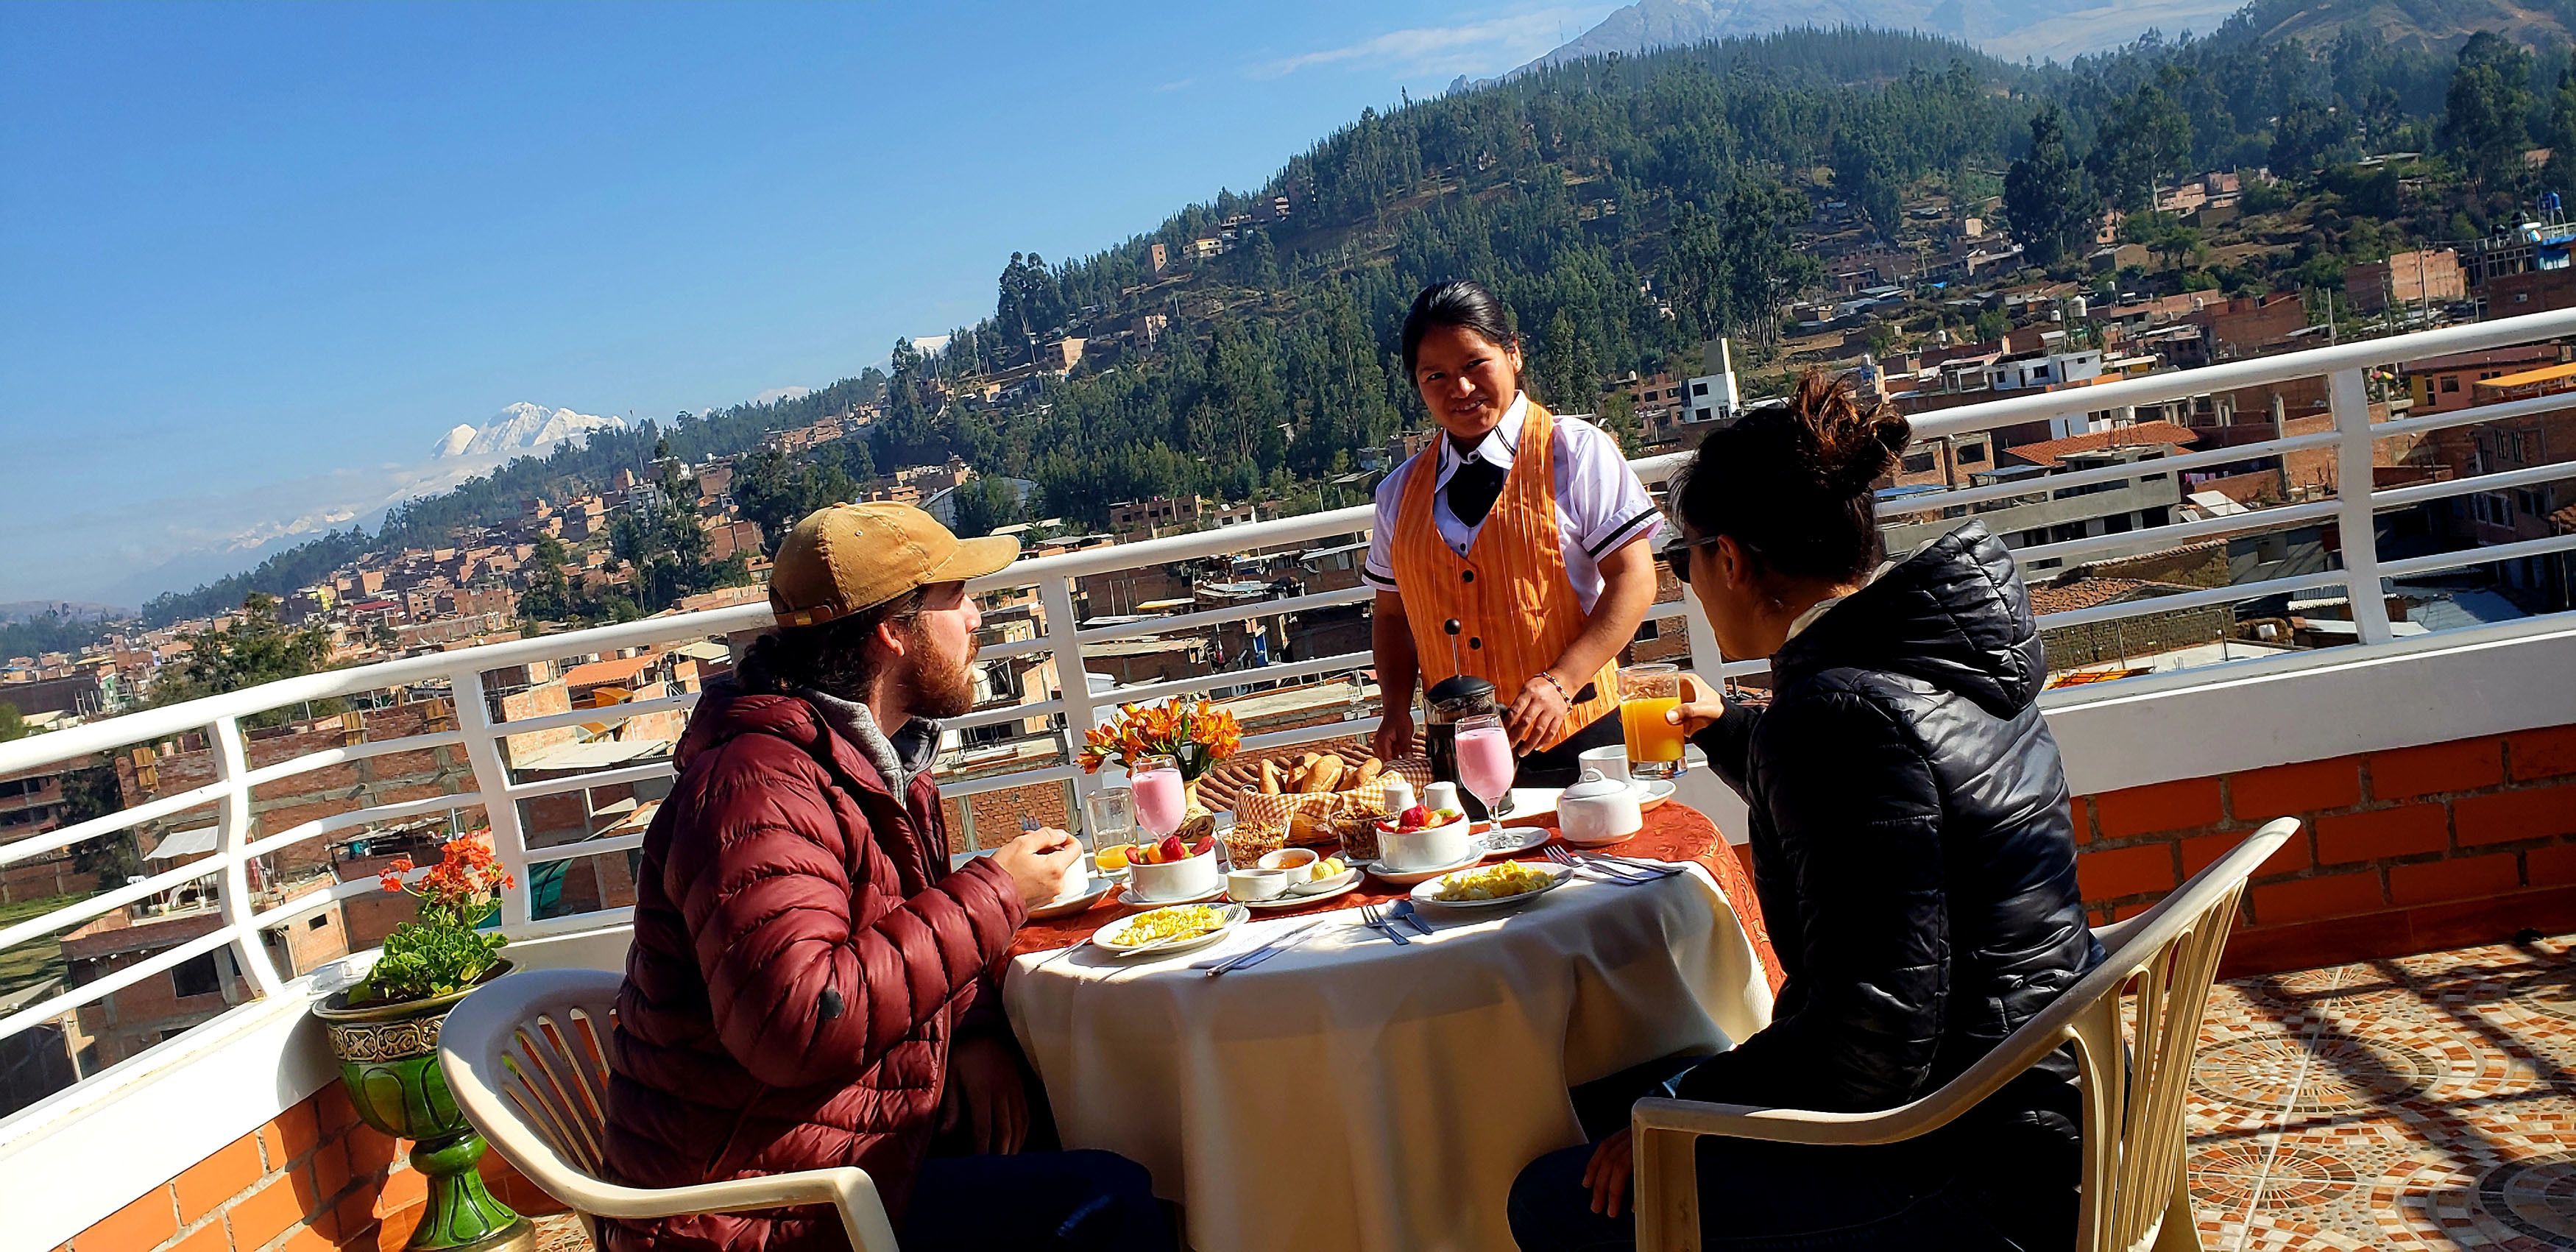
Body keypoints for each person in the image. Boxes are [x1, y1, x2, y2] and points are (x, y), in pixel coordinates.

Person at [1507, 374, 2104, 1251]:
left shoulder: (1833, 719)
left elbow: (1873, 1037)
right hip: (2044, 1100)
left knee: (1551, 1197)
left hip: (1963, 1166)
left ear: (1734, 561)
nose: (1684, 584)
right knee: (1603, 1093)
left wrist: (1679, 1109)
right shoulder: (1936, 654)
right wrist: (1738, 732)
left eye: (1682, 560)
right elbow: (1896, 816)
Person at [602, 502, 1171, 1252]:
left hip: (846, 1146)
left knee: (1074, 1117)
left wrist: (972, 1029)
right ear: (891, 631)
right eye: (955, 599)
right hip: (759, 1210)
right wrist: (995, 892)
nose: (976, 621)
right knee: (1109, 1203)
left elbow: (889, 934)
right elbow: (796, 1021)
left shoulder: (873, 767)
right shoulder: (756, 789)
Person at [1365, 280, 1662, 785]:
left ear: (1514, 354)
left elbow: (1635, 579)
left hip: (1578, 743)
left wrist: (1561, 682)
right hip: (1455, 758)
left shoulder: (1575, 453)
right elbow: (1392, 613)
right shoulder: (1397, 494)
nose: (1458, 389)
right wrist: (1395, 708)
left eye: (1474, 365)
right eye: (1435, 375)